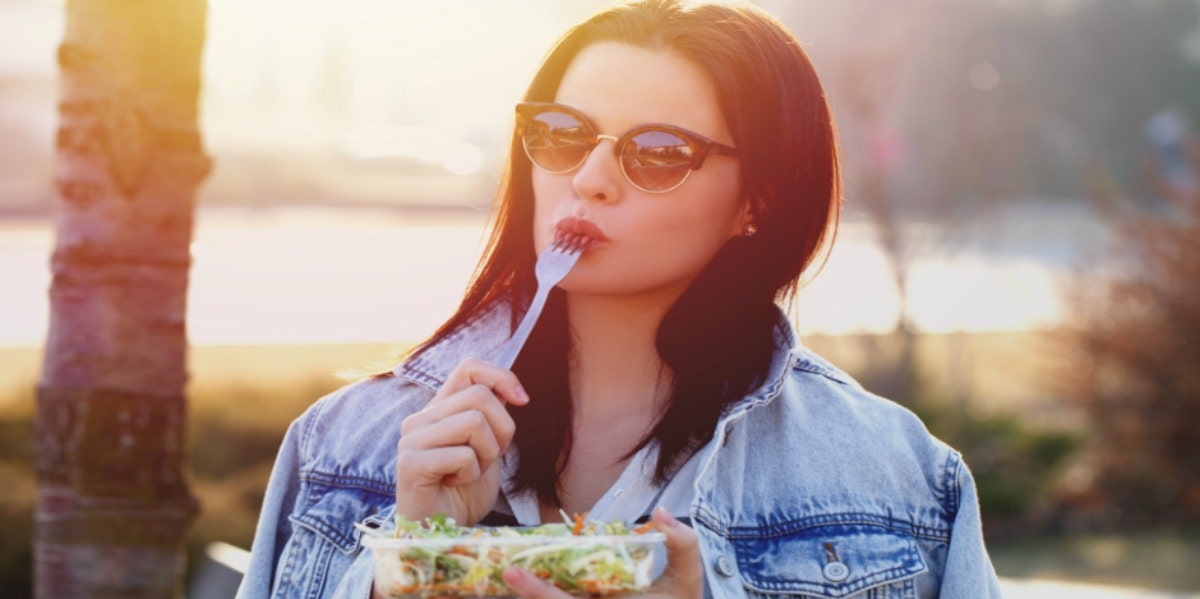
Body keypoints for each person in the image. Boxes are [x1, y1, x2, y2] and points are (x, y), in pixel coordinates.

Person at [237, 0, 1003, 597]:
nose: (590, 178)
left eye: (659, 152)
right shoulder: (342, 450)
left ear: (755, 204)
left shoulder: (893, 477)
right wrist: (417, 562)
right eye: (565, 134)